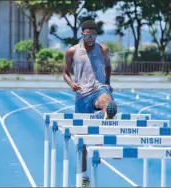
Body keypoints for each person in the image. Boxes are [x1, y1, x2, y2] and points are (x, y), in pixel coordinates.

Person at [63, 20, 118, 187]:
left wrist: (107, 83)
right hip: (81, 96)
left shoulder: (103, 49)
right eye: (87, 35)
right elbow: (65, 72)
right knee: (83, 145)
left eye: (93, 35)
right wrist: (72, 84)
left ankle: (104, 137)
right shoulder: (72, 51)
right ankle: (84, 181)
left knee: (107, 103)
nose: (90, 38)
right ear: (82, 34)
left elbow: (108, 66)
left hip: (99, 89)